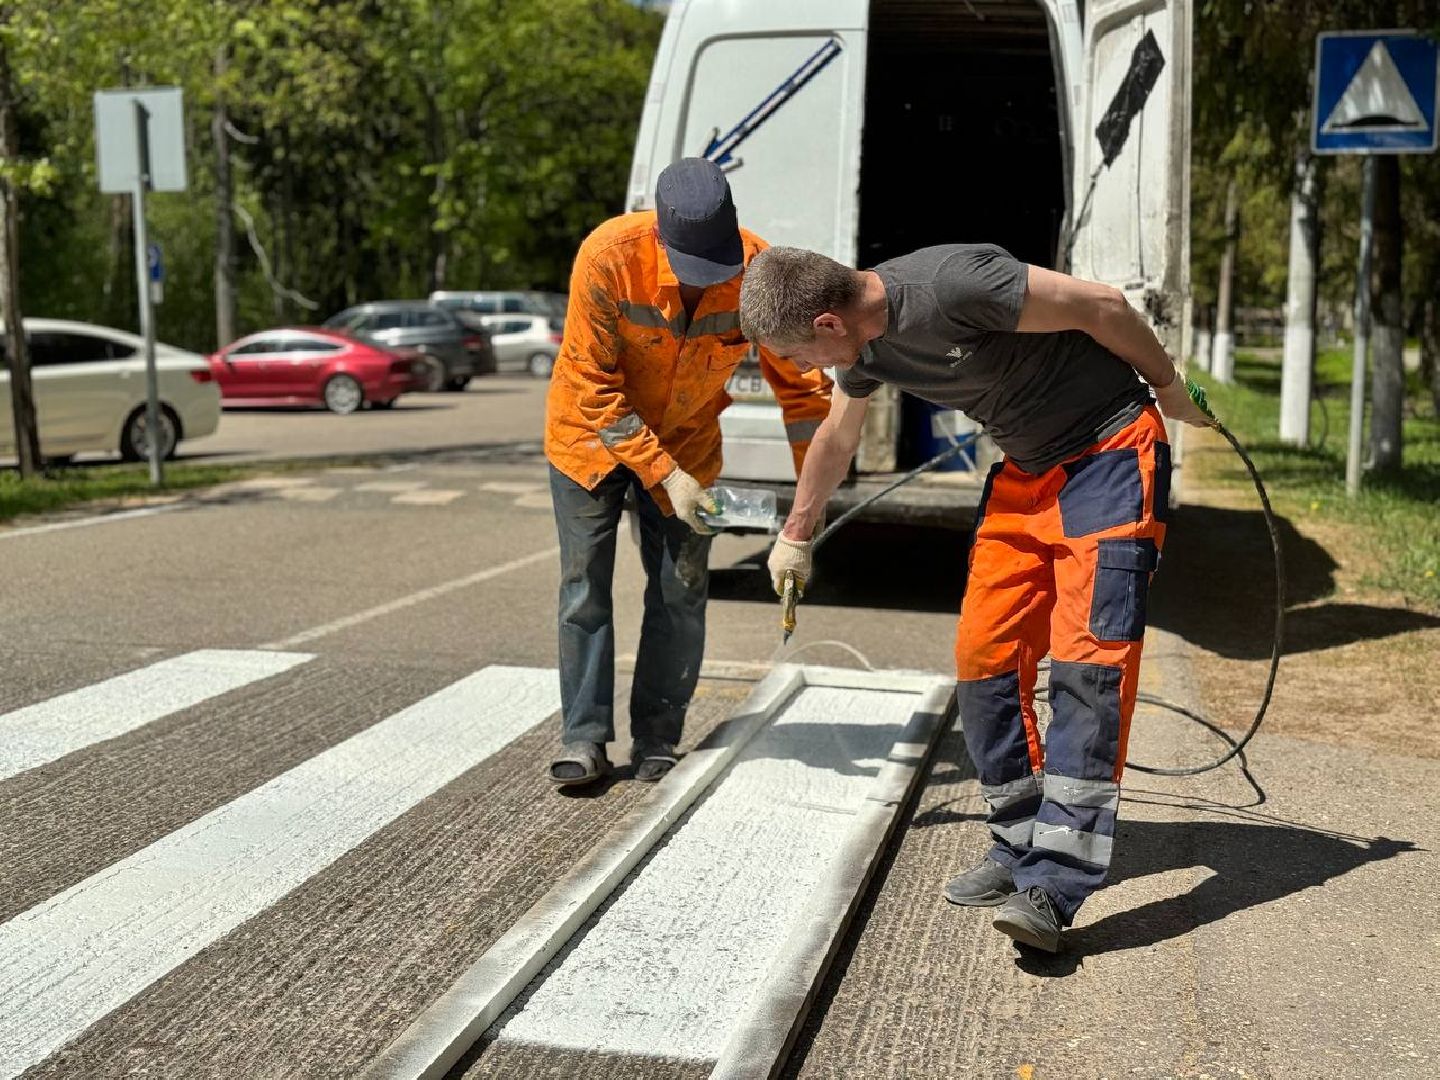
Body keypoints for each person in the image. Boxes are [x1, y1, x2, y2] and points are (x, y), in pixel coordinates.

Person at [739, 242, 1214, 952]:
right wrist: (798, 533)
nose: (809, 368)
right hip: (1027, 474)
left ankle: (1053, 887)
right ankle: (1019, 839)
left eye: (802, 352)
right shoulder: (862, 352)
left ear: (831, 323)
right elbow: (837, 441)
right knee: (983, 658)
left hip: (1110, 456)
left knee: (1088, 665)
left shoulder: (956, 284)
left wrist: (1168, 385)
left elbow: (1103, 306)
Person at [544, 159, 831, 788]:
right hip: (591, 438)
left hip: (691, 443)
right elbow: (593, 387)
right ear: (662, 235)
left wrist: (808, 510)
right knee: (583, 585)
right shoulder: (609, 257)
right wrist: (663, 474)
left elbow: (805, 393)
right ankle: (584, 736)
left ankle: (658, 737)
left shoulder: (760, 270)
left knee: (680, 589)